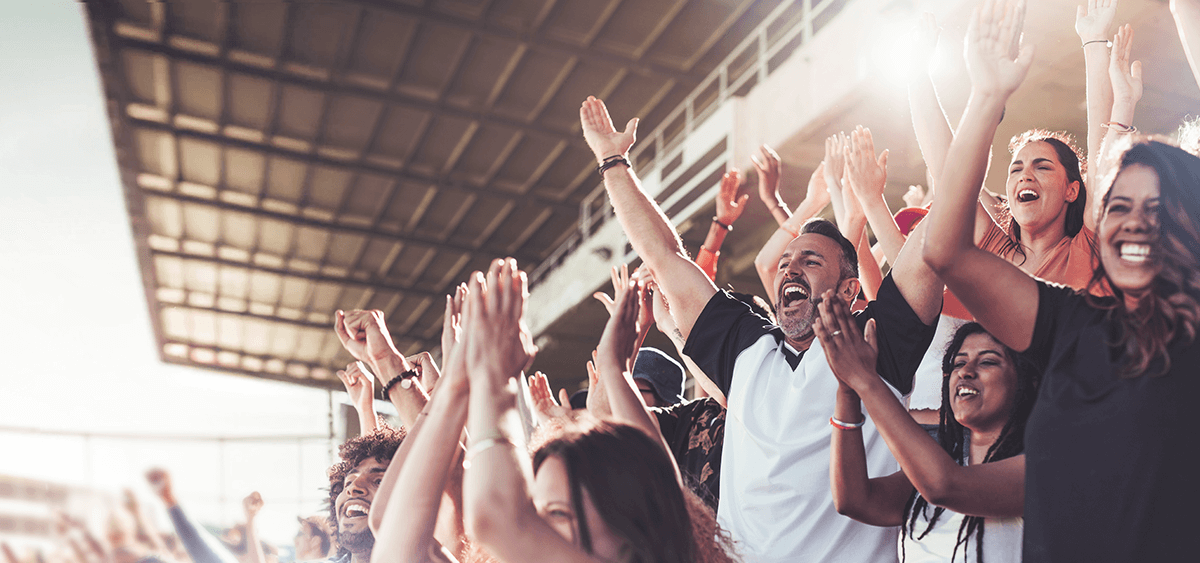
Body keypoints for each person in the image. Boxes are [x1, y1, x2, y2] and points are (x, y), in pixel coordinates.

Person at [580, 95, 942, 562]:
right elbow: (666, 256)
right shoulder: (747, 347)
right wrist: (613, 161)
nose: (790, 270)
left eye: (810, 262)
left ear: (851, 291)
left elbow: (938, 244)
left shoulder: (877, 343)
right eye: (787, 262)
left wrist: (924, 87)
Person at [922, 0, 1200, 558]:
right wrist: (984, 98)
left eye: (1157, 206)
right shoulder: (1070, 322)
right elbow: (945, 249)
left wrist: (1114, 51)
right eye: (1118, 207)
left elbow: (1104, 150)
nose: (1132, 220)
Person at [819, 306, 1035, 563]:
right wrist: (847, 391)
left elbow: (945, 486)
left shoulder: (1039, 467)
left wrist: (866, 380)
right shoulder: (936, 465)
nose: (966, 371)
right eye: (959, 362)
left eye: (987, 361)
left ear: (1024, 380)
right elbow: (855, 500)